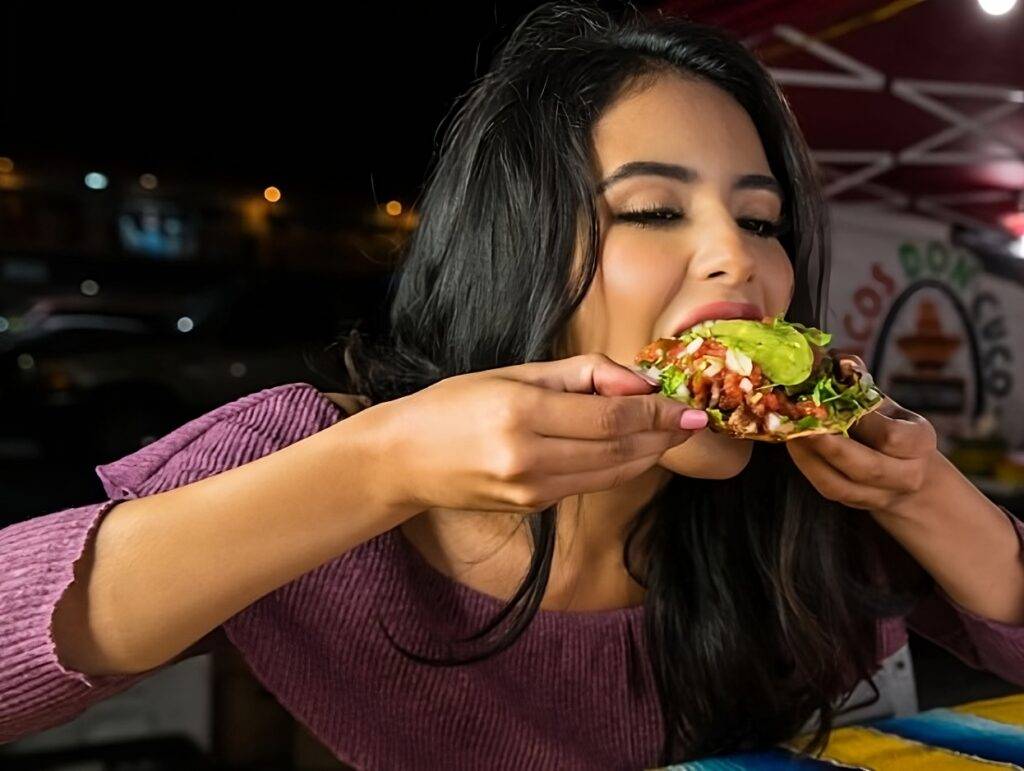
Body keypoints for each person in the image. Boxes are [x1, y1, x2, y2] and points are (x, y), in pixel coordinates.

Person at [3, 4, 1024, 769]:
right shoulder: (325, 456)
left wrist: (924, 496)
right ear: (517, 252)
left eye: (760, 222)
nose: (737, 260)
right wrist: (383, 468)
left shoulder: (812, 484)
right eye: (654, 212)